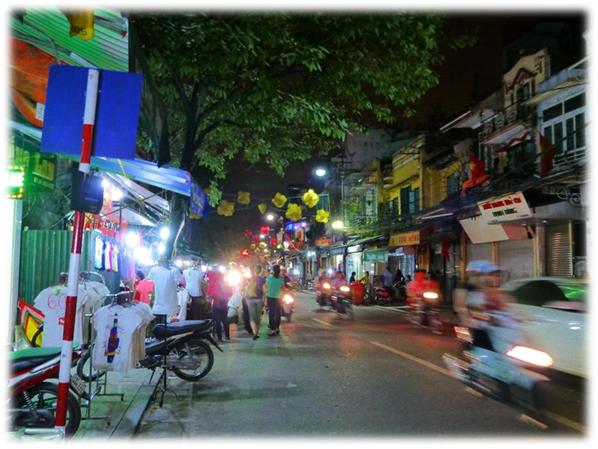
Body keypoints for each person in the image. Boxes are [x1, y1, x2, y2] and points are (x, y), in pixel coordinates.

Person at [146, 256, 179, 322]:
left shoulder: (153, 270)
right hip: (169, 306)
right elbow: (179, 282)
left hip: (160, 306)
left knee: (160, 324)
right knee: (166, 324)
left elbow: (149, 281)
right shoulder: (174, 270)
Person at [207, 268, 231, 342]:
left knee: (217, 322)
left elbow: (209, 296)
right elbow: (229, 293)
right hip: (224, 305)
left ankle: (220, 337)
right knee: (225, 321)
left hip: (216, 305)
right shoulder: (225, 283)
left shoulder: (213, 284)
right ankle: (227, 336)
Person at [246, 265, 266, 340]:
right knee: (258, 317)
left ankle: (254, 333)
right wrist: (265, 300)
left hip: (250, 299)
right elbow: (264, 291)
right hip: (259, 299)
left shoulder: (249, 279)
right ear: (260, 271)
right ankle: (256, 333)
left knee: (252, 317)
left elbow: (244, 288)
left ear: (254, 271)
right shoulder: (262, 280)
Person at [264, 265, 285, 336]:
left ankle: (272, 329)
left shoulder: (268, 279)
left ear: (273, 271)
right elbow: (283, 288)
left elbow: (266, 288)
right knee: (278, 313)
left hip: (270, 297)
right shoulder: (281, 279)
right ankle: (277, 328)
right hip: (279, 298)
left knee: (271, 313)